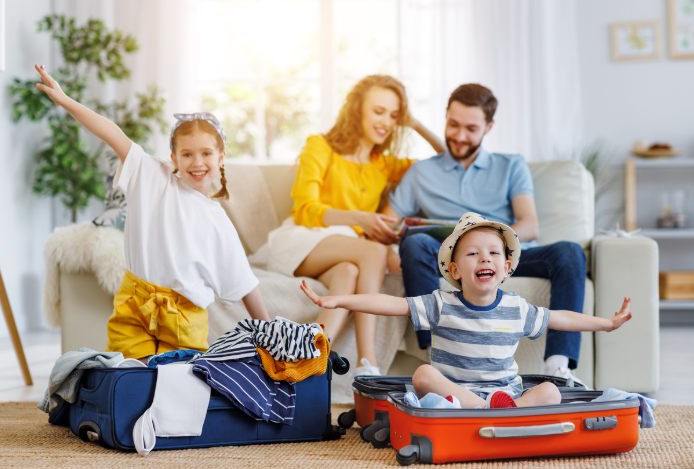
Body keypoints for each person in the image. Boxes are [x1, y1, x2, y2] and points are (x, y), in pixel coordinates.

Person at [34, 64, 270, 360]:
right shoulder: (151, 176)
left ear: (221, 157)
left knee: (181, 391)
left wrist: (270, 333)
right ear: (173, 158)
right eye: (187, 154)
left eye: (206, 153)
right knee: (131, 383)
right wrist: (66, 100)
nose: (197, 162)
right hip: (135, 304)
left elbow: (245, 283)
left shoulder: (218, 221)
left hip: (184, 316)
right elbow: (111, 133)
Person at [300, 212, 632, 408]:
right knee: (423, 376)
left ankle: (499, 410)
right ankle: (487, 411)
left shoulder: (517, 309)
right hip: (457, 393)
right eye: (473, 254)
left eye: (493, 253)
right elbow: (390, 304)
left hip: (506, 393)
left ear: (507, 268)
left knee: (549, 392)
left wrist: (605, 323)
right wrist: (340, 300)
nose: (485, 258)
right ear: (455, 271)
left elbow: (562, 317)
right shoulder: (441, 303)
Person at [384, 83, 589, 383]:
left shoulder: (510, 165)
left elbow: (529, 224)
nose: (459, 136)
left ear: (489, 126)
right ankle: (435, 352)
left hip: (504, 251)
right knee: (414, 243)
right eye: (453, 125)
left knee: (569, 252)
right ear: (445, 118)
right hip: (452, 251)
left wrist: (491, 246)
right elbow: (389, 223)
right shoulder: (421, 172)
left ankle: (558, 367)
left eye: (471, 128)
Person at [266, 75, 444, 376]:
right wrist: (361, 219)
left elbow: (444, 161)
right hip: (304, 238)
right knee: (373, 252)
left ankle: (309, 361)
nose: (386, 122)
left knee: (349, 272)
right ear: (357, 109)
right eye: (379, 111)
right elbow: (305, 210)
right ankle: (368, 362)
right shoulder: (320, 146)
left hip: (345, 253)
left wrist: (414, 123)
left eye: (393, 115)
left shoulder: (383, 164)